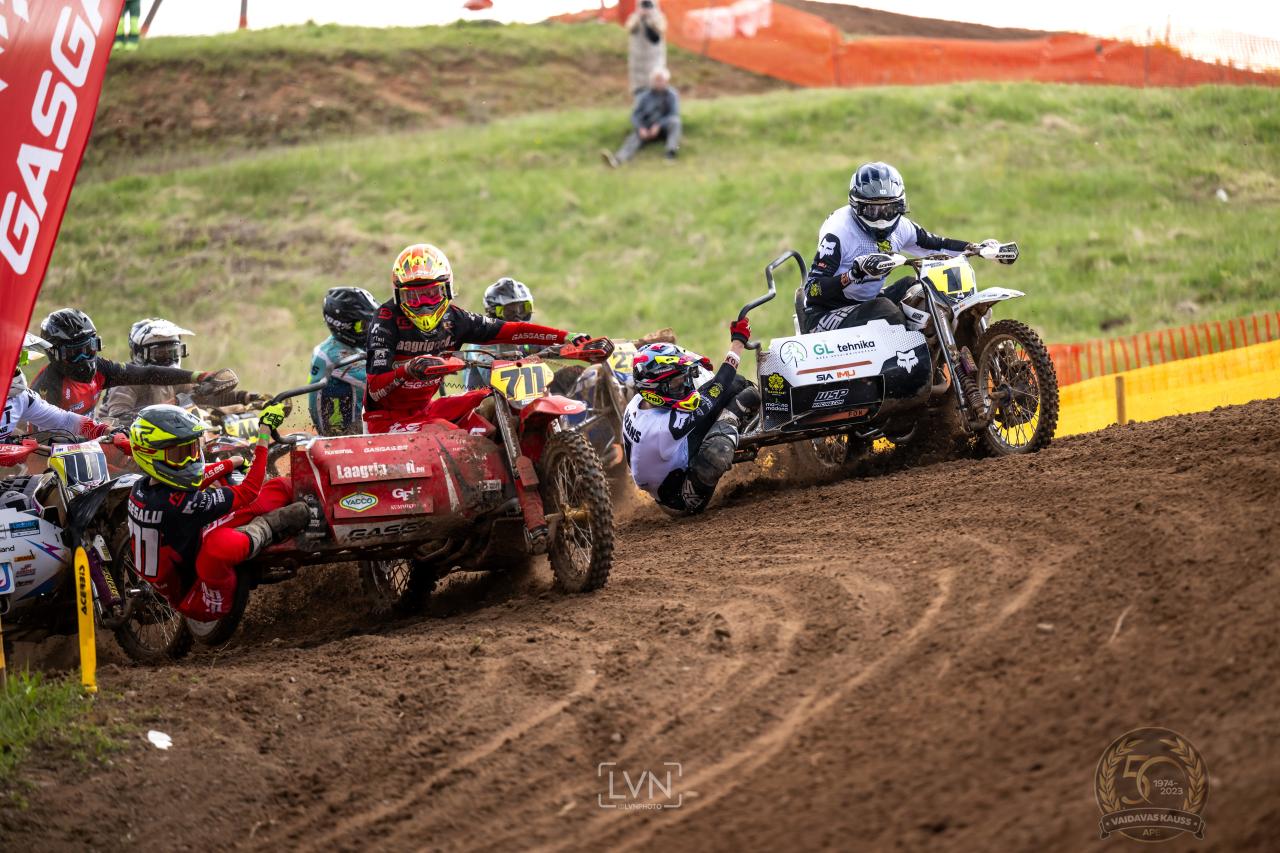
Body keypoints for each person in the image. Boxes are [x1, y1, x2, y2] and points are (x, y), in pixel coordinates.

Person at [363, 244, 603, 434]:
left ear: (447, 289)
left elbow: (513, 330)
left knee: (497, 400)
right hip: (385, 420)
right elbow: (375, 390)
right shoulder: (385, 320)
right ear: (399, 296)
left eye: (432, 294)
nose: (424, 305)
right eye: (414, 297)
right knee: (448, 433)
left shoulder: (456, 319)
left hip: (426, 410)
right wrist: (408, 370)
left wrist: (568, 336)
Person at [126, 402, 310, 623]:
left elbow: (193, 480)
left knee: (278, 487)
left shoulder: (141, 488)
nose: (191, 459)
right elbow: (249, 490)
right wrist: (264, 432)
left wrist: (230, 463)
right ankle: (266, 528)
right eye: (179, 454)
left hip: (181, 563)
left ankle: (318, 502)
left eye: (192, 450)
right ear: (150, 455)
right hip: (197, 598)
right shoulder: (178, 504)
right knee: (220, 543)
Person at [802, 161, 1002, 333]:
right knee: (888, 313)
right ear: (857, 207)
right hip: (826, 312)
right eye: (873, 210)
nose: (881, 218)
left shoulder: (902, 227)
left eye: (889, 209)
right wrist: (853, 274)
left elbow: (939, 245)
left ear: (900, 206)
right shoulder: (838, 233)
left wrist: (978, 249)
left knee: (926, 291)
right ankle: (915, 364)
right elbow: (812, 290)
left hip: (867, 301)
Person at [622, 318, 760, 516]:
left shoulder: (637, 402)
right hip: (680, 499)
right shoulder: (665, 428)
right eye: (676, 384)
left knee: (732, 387)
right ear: (655, 389)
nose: (684, 386)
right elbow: (718, 386)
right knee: (722, 442)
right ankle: (734, 424)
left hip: (666, 470)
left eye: (683, 379)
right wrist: (738, 342)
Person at [32, 309, 237, 418]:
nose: (84, 359)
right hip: (61, 453)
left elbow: (148, 374)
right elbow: (40, 440)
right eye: (74, 353)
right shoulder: (47, 387)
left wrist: (201, 376)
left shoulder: (102, 368)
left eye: (89, 348)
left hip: (91, 443)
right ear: (54, 354)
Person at [103, 318, 271, 424]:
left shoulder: (175, 380)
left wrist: (248, 397)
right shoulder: (126, 383)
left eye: (173, 352)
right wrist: (175, 403)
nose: (168, 359)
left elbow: (205, 397)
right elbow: (118, 420)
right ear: (139, 354)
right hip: (123, 451)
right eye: (160, 354)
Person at [3, 334, 113, 444]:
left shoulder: (23, 398)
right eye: (8, 363)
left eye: (17, 363)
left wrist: (105, 430)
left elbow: (65, 420)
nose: (15, 369)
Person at [308, 287, 378, 436]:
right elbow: (377, 381)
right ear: (343, 326)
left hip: (359, 425)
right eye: (362, 325)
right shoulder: (332, 354)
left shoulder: (347, 345)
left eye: (370, 323)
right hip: (341, 434)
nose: (368, 330)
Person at [462, 277, 542, 391]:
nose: (517, 316)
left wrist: (564, 347)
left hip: (524, 393)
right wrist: (525, 349)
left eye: (523, 308)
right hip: (488, 398)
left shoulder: (528, 335)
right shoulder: (482, 340)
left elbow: (553, 344)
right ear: (494, 313)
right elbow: (493, 375)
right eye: (510, 311)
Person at [603, 67, 681, 167]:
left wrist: (659, 125)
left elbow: (673, 114)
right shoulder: (644, 96)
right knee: (633, 138)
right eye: (656, 80)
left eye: (660, 80)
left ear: (666, 81)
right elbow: (635, 115)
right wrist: (641, 128)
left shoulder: (672, 95)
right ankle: (617, 160)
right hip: (646, 129)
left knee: (675, 122)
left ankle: (670, 154)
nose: (658, 83)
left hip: (664, 129)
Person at [626, 0, 668, 96]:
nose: (646, 7)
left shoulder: (659, 17)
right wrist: (639, 17)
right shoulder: (635, 17)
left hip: (654, 57)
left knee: (656, 80)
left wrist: (650, 20)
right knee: (639, 87)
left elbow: (661, 29)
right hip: (638, 59)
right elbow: (629, 27)